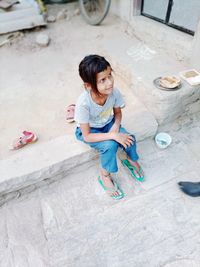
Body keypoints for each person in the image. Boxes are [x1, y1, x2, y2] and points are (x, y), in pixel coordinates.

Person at [74, 55, 144, 200]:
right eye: (102, 80)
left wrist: (116, 127)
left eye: (110, 76)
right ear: (88, 86)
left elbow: (117, 113)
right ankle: (104, 175)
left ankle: (130, 160)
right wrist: (113, 135)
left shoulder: (113, 92)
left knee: (129, 138)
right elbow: (87, 136)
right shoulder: (83, 104)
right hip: (90, 131)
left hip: (109, 124)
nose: (110, 83)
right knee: (110, 146)